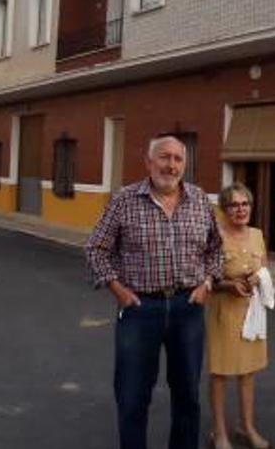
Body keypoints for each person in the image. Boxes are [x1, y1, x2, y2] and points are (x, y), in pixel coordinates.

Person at [85, 135, 222, 449]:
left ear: (184, 165)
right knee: (132, 395)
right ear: (148, 162)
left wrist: (208, 283)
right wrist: (118, 290)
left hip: (188, 307)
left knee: (187, 394)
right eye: (164, 157)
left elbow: (216, 249)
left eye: (177, 159)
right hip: (139, 309)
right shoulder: (125, 199)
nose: (171, 165)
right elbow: (95, 249)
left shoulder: (200, 199)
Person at [206, 182, 273, 449]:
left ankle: (246, 427)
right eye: (234, 204)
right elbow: (206, 276)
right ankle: (219, 432)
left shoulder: (257, 234)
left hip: (252, 313)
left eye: (245, 204)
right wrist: (227, 285)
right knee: (220, 373)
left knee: (248, 373)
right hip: (224, 311)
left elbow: (265, 267)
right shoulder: (215, 236)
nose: (240, 209)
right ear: (224, 209)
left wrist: (257, 277)